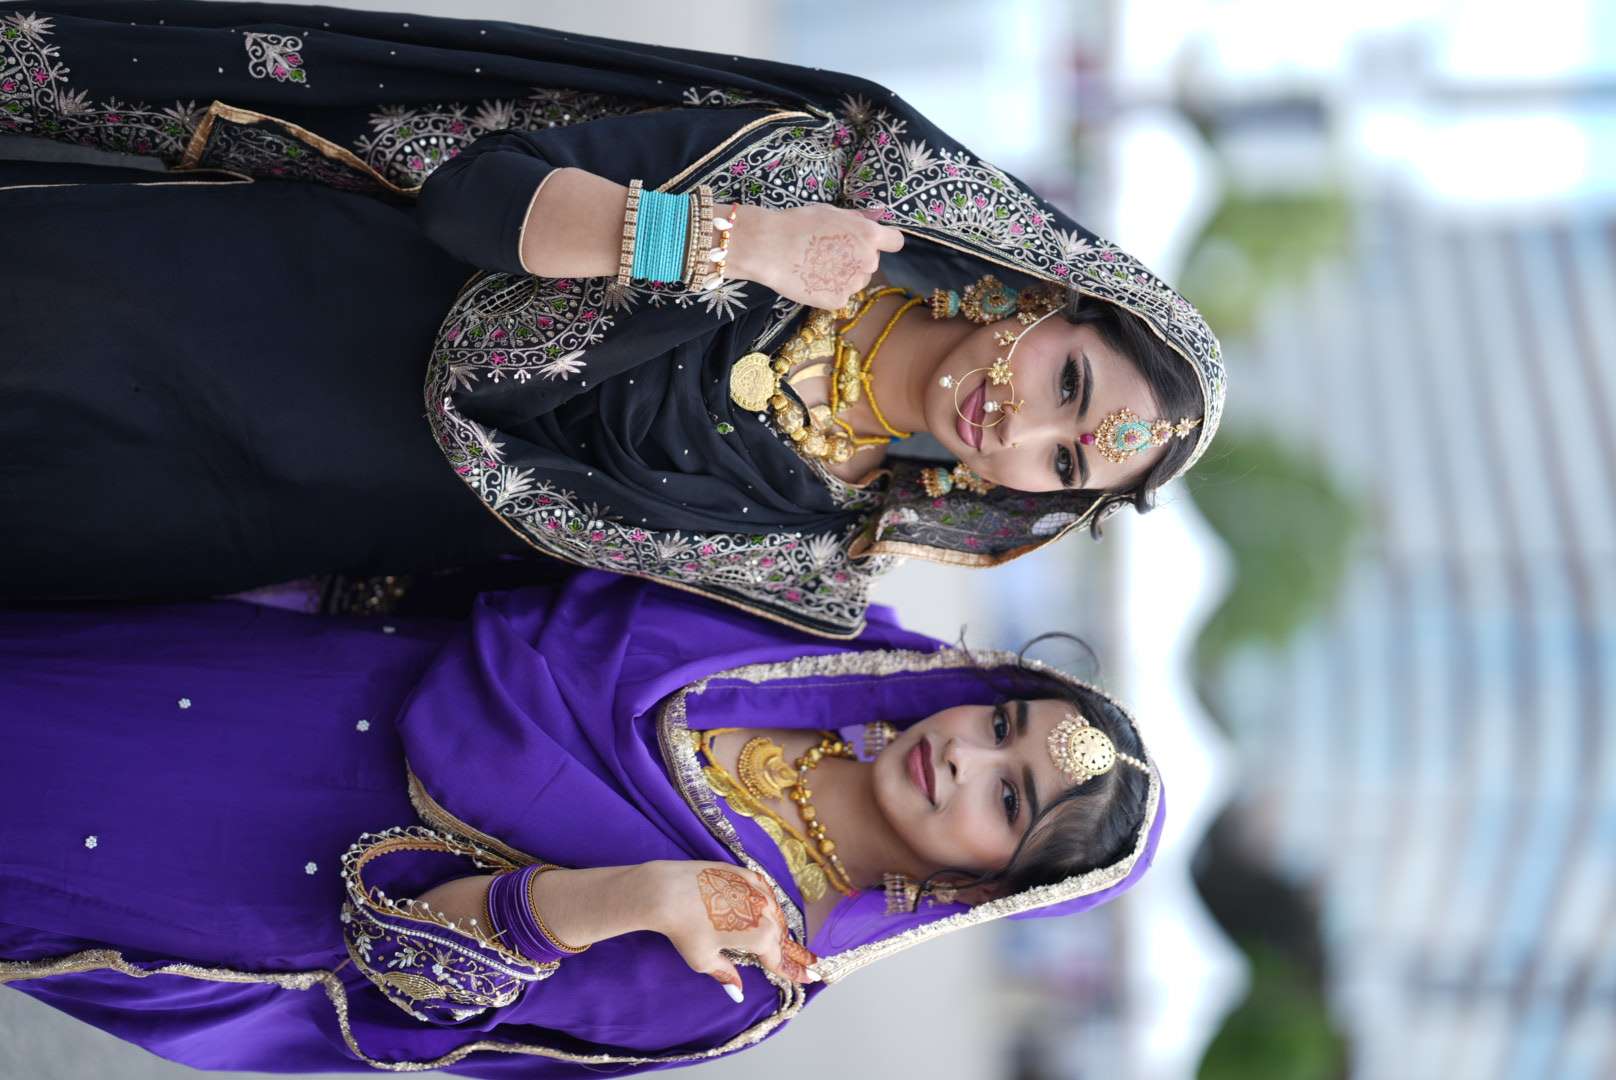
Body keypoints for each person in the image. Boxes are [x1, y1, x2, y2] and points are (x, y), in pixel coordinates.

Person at [0, 2, 1226, 635]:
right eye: (1068, 386)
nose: (1019, 427)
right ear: (1050, 297)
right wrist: (737, 244)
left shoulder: (816, 559)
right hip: (260, 305)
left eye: (1063, 463)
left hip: (260, 508)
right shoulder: (813, 182)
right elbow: (484, 200)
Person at [0, 572, 1163, 1076]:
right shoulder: (806, 647)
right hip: (283, 676)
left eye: (1005, 800)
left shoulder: (744, 971)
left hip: (250, 866)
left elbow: (412, 979)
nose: (964, 756)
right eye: (1000, 723)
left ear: (985, 889)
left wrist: (632, 896)